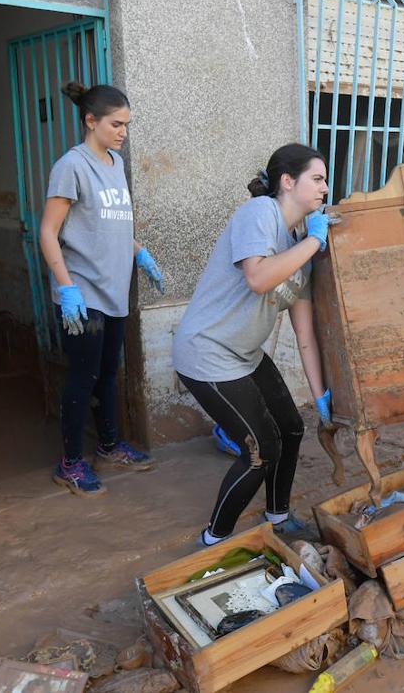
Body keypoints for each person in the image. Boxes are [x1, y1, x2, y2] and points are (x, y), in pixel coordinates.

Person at [172, 143, 333, 546]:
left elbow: (305, 336)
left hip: (243, 353)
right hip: (207, 351)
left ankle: (278, 516)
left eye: (326, 180)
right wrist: (313, 244)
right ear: (287, 181)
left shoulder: (301, 246)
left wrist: (321, 400)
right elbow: (258, 278)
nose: (325, 189)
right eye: (317, 179)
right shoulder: (260, 214)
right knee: (260, 449)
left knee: (292, 429)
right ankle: (214, 540)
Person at [38, 82, 164, 496]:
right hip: (82, 293)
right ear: (90, 121)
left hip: (113, 291)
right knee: (82, 377)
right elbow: (48, 232)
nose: (123, 132)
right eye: (116, 124)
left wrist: (139, 253)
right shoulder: (71, 166)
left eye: (127, 124)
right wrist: (66, 287)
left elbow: (107, 226)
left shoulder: (113, 164)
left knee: (108, 373)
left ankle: (109, 447)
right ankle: (70, 463)